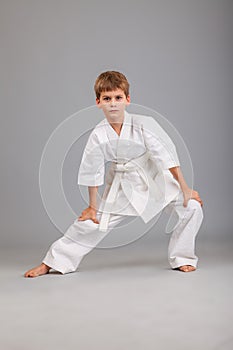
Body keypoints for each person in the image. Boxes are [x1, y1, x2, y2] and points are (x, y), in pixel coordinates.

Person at [24, 71, 204, 278]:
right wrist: (93, 206)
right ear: (98, 102)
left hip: (156, 180)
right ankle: (52, 262)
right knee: (91, 223)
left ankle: (183, 257)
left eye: (118, 98)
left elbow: (167, 157)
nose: (113, 104)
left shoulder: (145, 123)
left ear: (127, 99)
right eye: (107, 99)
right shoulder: (98, 134)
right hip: (123, 185)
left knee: (192, 207)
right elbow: (92, 169)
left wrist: (185, 189)